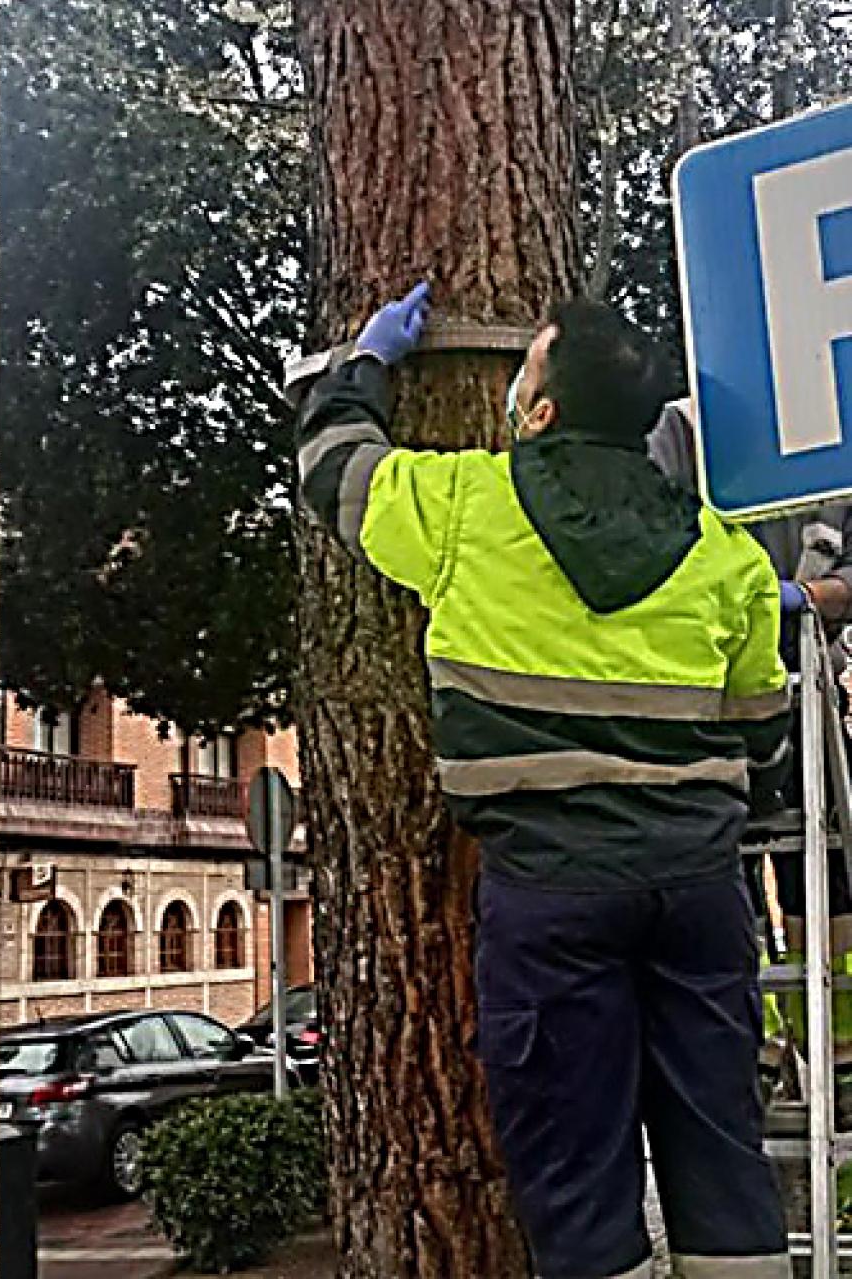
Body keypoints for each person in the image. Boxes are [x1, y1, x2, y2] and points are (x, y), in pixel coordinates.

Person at [296, 285, 791, 1278]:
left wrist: (364, 363)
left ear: (541, 412)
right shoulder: (720, 549)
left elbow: (332, 469)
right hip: (696, 889)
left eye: (526, 366)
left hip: (552, 891)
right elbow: (761, 734)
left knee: (575, 1168)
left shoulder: (462, 503)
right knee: (721, 1152)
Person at [649, 399, 852, 1106]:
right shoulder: (683, 428)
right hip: (709, 703)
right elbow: (651, 552)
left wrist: (806, 597)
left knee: (824, 888)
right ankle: (752, 1056)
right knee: (721, 887)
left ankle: (837, 1063)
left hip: (811, 700)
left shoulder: (839, 422)